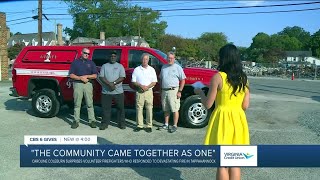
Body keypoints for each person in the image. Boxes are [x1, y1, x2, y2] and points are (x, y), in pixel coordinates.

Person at [194, 44, 250, 180]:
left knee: (222, 163)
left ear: (223, 58)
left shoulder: (218, 77)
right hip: (238, 120)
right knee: (235, 163)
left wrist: (200, 92)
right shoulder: (244, 78)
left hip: (223, 121)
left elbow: (208, 104)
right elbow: (245, 105)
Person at [69, 48, 98, 129]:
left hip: (88, 84)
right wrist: (80, 78)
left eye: (88, 54)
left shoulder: (91, 63)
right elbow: (71, 75)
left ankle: (92, 120)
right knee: (77, 104)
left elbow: (95, 75)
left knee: (89, 103)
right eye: (85, 53)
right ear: (81, 53)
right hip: (78, 84)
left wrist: (87, 76)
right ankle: (76, 121)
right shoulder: (75, 62)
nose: (87, 55)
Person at [158, 52, 186, 133]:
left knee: (174, 109)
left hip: (174, 91)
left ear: (174, 59)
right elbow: (160, 79)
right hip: (164, 90)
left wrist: (180, 91)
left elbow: (183, 80)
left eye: (171, 58)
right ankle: (166, 124)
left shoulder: (178, 68)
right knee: (166, 108)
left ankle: (174, 125)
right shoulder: (163, 67)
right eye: (168, 58)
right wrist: (160, 89)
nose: (169, 59)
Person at [99, 51, 126, 130]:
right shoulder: (104, 66)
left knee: (120, 108)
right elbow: (101, 77)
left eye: (114, 56)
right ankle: (104, 124)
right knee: (105, 108)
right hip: (106, 91)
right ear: (109, 57)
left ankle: (121, 124)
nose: (113, 57)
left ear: (116, 57)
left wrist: (113, 83)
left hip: (118, 91)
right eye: (111, 56)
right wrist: (109, 84)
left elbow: (122, 77)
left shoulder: (120, 66)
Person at [131, 53, 157, 133]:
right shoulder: (137, 69)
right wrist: (141, 86)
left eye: (146, 59)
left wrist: (147, 87)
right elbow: (133, 81)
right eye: (143, 59)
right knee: (139, 108)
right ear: (141, 60)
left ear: (148, 60)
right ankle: (139, 125)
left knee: (149, 108)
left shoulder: (152, 70)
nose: (145, 61)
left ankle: (149, 125)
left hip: (149, 91)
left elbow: (154, 82)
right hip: (140, 91)